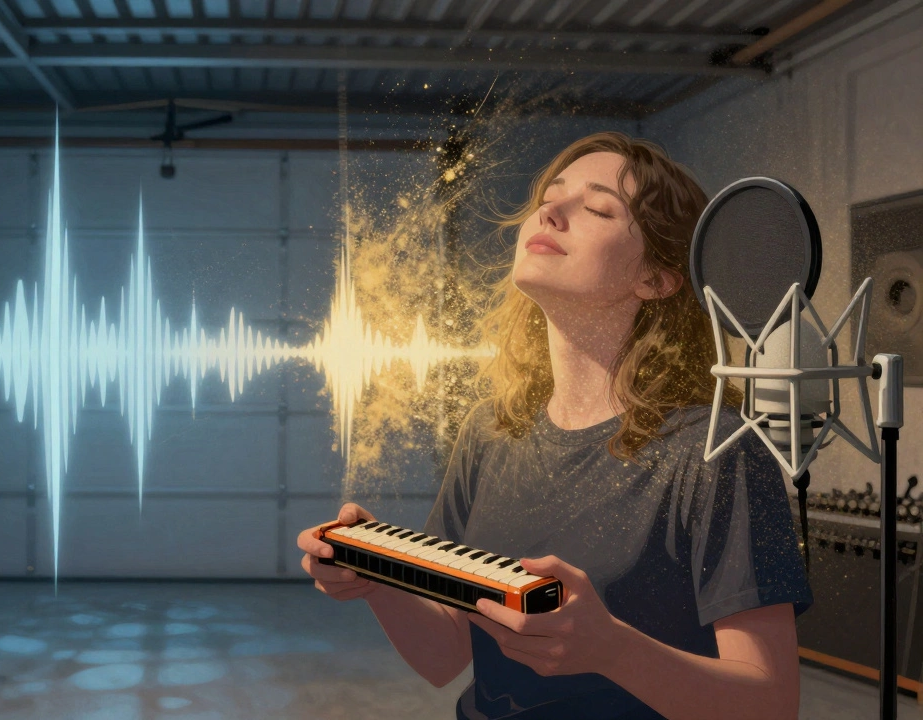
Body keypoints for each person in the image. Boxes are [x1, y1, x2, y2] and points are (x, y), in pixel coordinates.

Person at [296, 132, 813, 720]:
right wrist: (376, 573)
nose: (551, 212)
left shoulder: (716, 450)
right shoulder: (490, 431)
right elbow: (446, 653)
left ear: (656, 279)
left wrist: (611, 650)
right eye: (549, 197)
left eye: (597, 208)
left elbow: (771, 704)